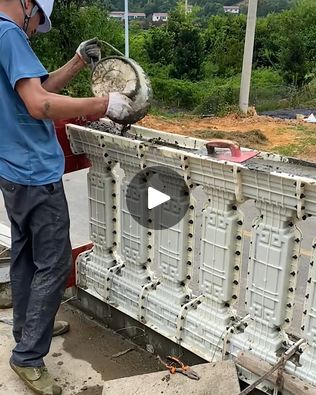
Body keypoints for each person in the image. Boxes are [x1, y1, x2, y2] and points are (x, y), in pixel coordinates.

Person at [0, 0, 133, 394]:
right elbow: (40, 104)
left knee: (26, 256)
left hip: (12, 171)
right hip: (35, 172)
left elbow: (34, 90)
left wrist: (76, 63)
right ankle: (28, 356)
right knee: (55, 263)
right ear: (28, 4)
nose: (35, 28)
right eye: (39, 20)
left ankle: (28, 329)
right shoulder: (9, 33)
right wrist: (103, 104)